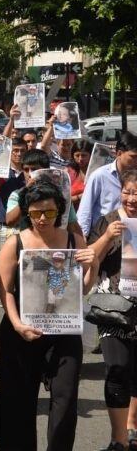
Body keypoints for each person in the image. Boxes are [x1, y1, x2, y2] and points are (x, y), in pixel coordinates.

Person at [0, 181, 98, 450]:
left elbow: (80, 291)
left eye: (50, 213)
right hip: (22, 331)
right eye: (37, 212)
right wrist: (18, 326)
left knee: (65, 399)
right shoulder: (14, 243)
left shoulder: (74, 241)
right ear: (27, 212)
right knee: (18, 400)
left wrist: (93, 267)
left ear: (60, 212)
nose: (43, 218)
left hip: (63, 330)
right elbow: (5, 291)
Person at [87, 169, 137, 450]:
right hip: (113, 307)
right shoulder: (108, 221)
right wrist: (107, 236)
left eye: (136, 193)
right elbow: (89, 257)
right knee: (117, 367)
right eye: (127, 192)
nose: (131, 199)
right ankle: (118, 437)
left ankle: (132, 426)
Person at [79, 131, 137, 237]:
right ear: (119, 153)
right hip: (103, 236)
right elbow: (85, 210)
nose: (136, 161)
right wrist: (82, 239)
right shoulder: (100, 176)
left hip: (132, 237)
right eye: (133, 157)